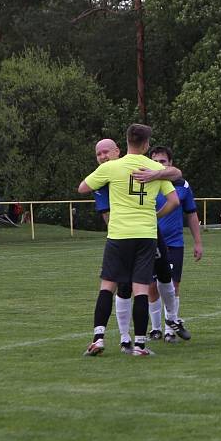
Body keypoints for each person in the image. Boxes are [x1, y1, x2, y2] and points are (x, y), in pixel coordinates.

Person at [78, 124, 185, 357]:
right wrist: (154, 215)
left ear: (125, 142)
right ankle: (139, 345)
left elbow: (83, 188)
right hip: (146, 235)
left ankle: (98, 339)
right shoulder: (155, 168)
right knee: (141, 290)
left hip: (118, 235)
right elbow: (174, 200)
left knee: (108, 286)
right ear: (146, 145)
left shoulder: (112, 167)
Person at [145, 145, 203, 343]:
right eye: (155, 161)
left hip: (174, 243)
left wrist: (198, 242)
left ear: (170, 163)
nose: (158, 165)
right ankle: (155, 328)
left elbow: (192, 214)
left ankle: (171, 327)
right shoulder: (145, 184)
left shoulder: (181, 185)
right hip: (149, 240)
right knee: (151, 286)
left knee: (172, 284)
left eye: (162, 161)